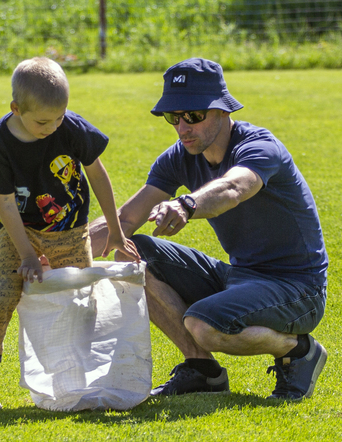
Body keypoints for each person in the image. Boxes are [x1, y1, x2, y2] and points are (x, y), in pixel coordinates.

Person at [89, 58, 329, 401]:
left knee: (204, 325)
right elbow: (125, 219)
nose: (182, 128)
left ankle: (298, 350)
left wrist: (186, 204)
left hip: (297, 287)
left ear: (222, 111)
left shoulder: (259, 147)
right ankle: (203, 370)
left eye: (193, 116)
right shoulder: (179, 157)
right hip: (241, 276)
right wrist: (56, 251)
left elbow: (234, 188)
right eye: (174, 118)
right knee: (133, 252)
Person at [0, 57, 140, 411]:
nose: (53, 127)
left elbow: (97, 175)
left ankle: (78, 376)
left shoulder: (71, 127)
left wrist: (116, 230)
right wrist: (27, 255)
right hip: (22, 232)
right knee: (3, 294)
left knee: (83, 300)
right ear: (16, 109)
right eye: (43, 122)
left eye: (59, 117)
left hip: (72, 231)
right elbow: (6, 204)